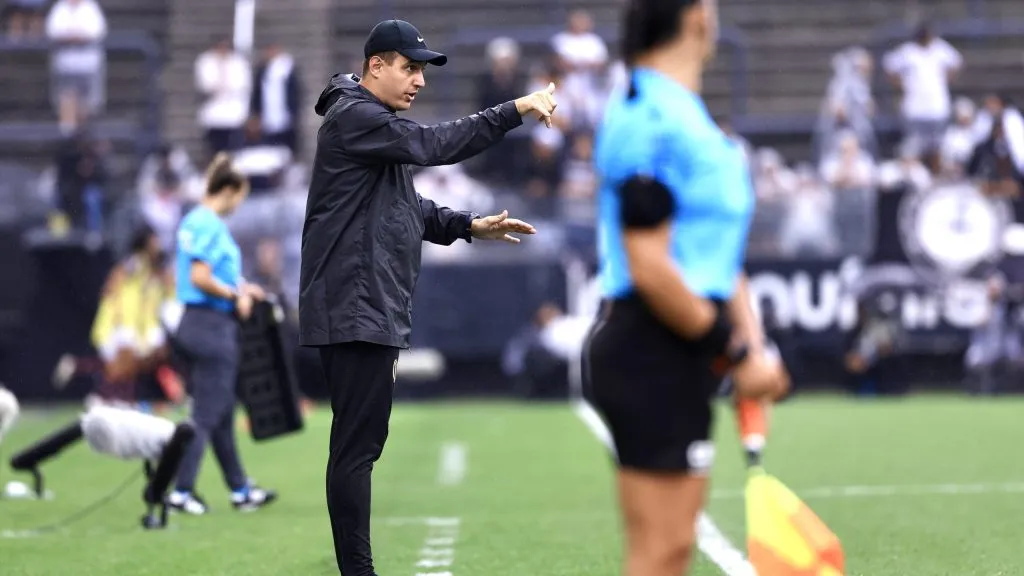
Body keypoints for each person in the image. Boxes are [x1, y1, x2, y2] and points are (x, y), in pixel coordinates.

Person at [300, 18, 556, 576]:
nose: (419, 80)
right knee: (356, 450)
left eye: (422, 70)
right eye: (409, 67)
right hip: (355, 303)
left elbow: (405, 208)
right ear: (376, 65)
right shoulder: (358, 117)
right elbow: (435, 144)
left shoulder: (368, 124)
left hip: (365, 302)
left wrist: (469, 225)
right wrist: (513, 110)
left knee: (360, 445)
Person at [584, 1, 788, 575]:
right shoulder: (647, 116)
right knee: (659, 553)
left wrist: (751, 347)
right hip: (649, 346)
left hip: (686, 346)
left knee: (672, 552)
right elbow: (649, 267)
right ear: (698, 17)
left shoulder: (688, 114)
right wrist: (736, 351)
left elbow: (716, 258)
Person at [166, 153, 277, 516]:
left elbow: (209, 274)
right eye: (239, 197)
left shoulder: (195, 220)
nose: (239, 205)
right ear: (228, 190)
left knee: (221, 412)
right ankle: (180, 491)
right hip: (211, 327)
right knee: (206, 415)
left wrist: (244, 287)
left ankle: (240, 490)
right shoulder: (209, 223)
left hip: (196, 324)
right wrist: (236, 296)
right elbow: (200, 278)